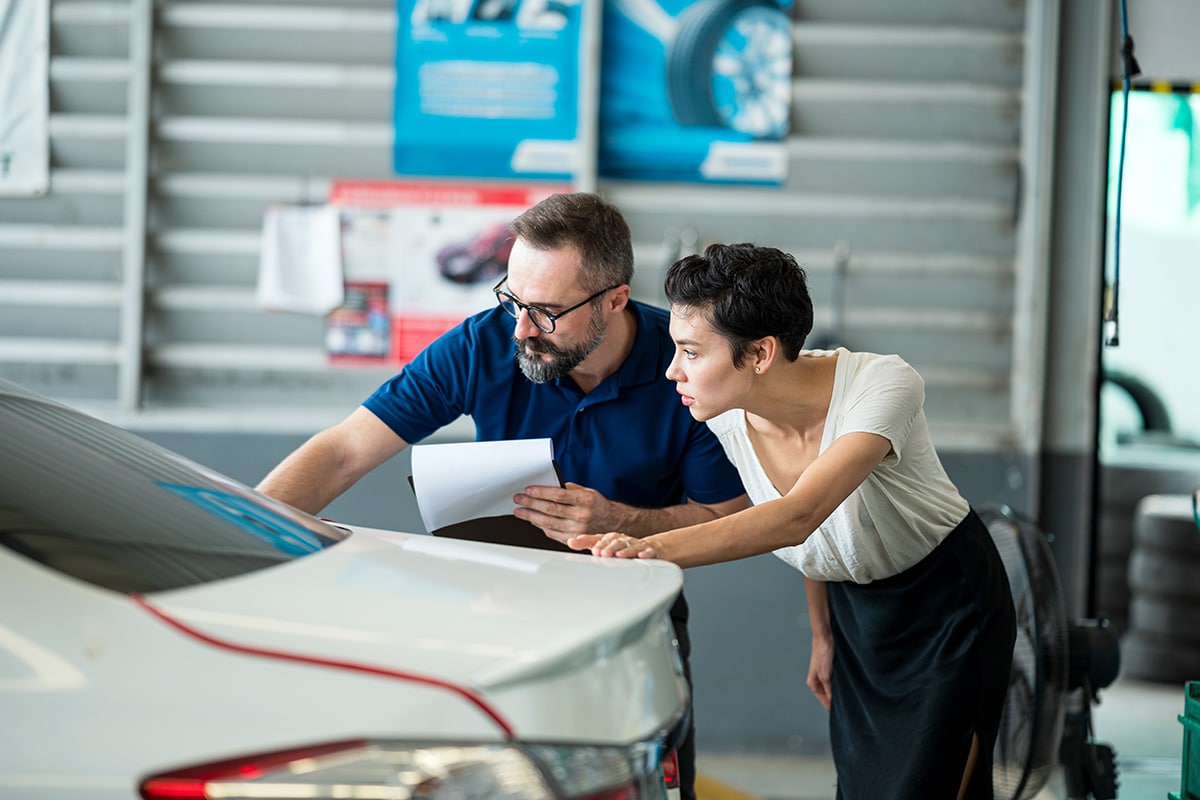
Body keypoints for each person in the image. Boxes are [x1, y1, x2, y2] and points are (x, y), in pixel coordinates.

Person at [256, 192, 749, 800]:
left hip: (629, 619)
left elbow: (728, 517)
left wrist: (624, 519)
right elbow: (344, 450)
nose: (519, 328)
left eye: (544, 311)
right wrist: (240, 532)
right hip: (498, 612)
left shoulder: (684, 366)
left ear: (615, 299)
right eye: (511, 299)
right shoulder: (486, 343)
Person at [569, 243, 1017, 800]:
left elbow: (800, 515)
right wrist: (824, 634)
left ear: (759, 353)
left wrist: (651, 549)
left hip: (947, 604)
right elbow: (821, 535)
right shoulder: (727, 418)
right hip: (857, 614)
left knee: (928, 785)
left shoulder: (881, 387)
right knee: (862, 786)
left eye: (689, 351)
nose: (671, 370)